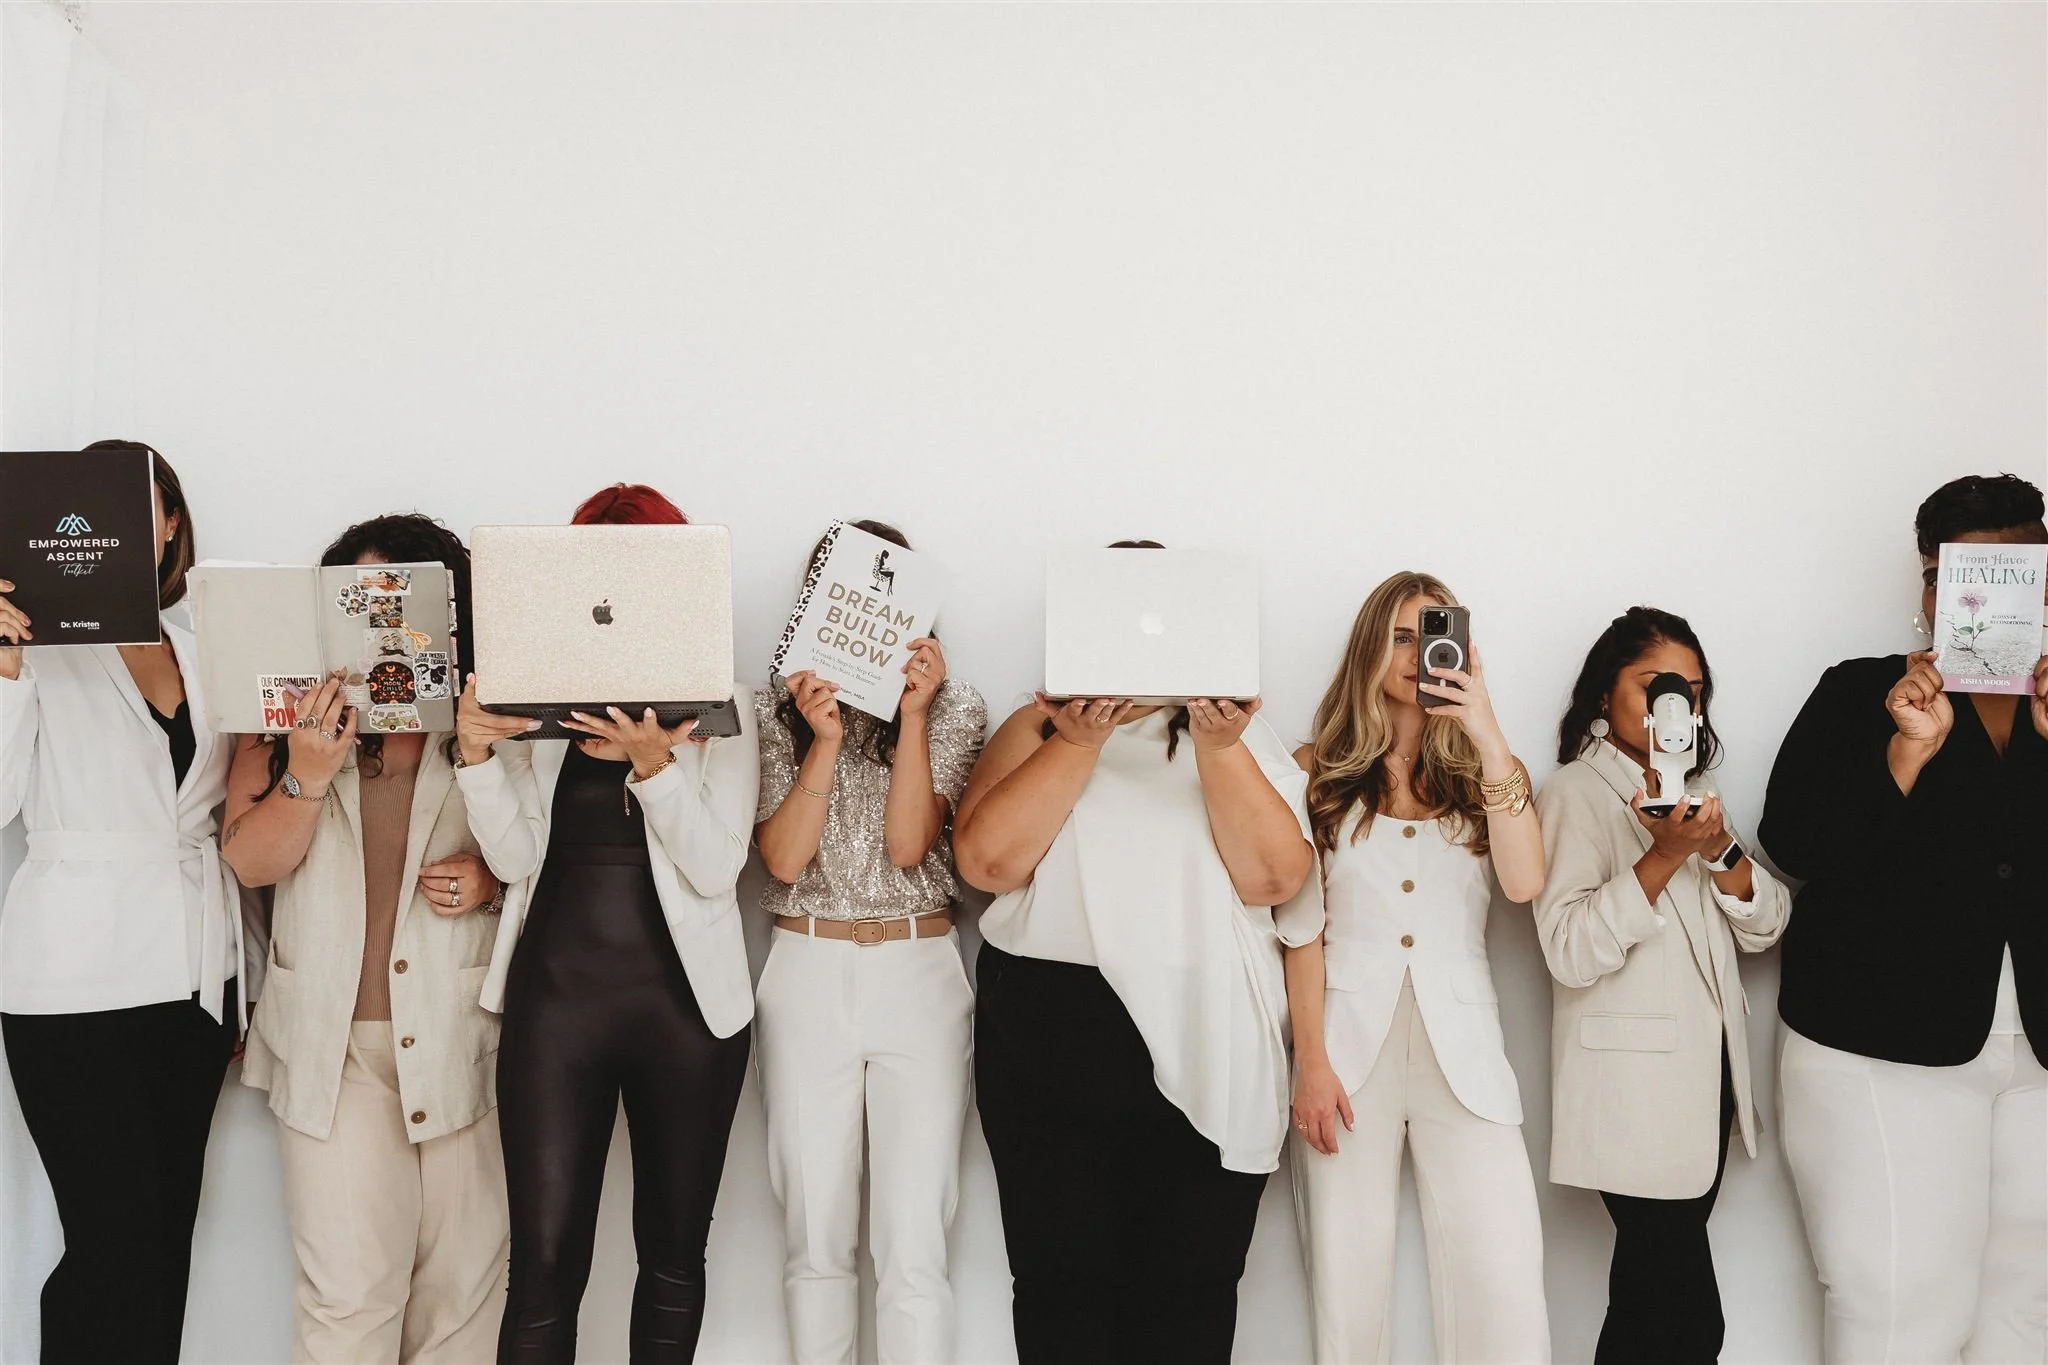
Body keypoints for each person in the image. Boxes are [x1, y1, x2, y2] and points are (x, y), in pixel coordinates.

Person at [953, 541, 1314, 1365]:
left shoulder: (1245, 738)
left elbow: (1274, 879)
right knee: (1060, 1287)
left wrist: (1218, 747)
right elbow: (987, 865)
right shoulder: (1034, 725)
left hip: (1204, 1019)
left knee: (1190, 1294)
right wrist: (1079, 742)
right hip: (1049, 1028)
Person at [457, 483, 757, 1365]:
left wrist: (656, 765)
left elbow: (713, 866)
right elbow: (513, 861)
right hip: (556, 1009)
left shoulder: (723, 701)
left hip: (688, 1017)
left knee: (672, 1258)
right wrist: (476, 755)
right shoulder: (532, 698)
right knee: (544, 1264)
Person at [1762, 472, 2047, 1364]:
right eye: (1952, 572)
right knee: (1898, 1311)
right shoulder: (1859, 695)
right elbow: (1793, 843)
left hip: (2038, 1053)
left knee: (2028, 1315)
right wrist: (1902, 756)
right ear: (1930, 589)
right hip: (1875, 1048)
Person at [223, 514, 509, 1364]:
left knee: (462, 1301)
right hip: (330, 1048)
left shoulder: (486, 720)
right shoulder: (278, 722)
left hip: (468, 1040)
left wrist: (491, 881)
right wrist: (307, 772)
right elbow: (248, 861)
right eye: (356, 604)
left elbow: (541, 854)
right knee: (348, 1303)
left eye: (399, 601)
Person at [0, 441, 245, 1365]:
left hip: (193, 980)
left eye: (135, 502)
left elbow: (225, 823)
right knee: (110, 1243)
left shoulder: (207, 646)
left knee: (162, 1249)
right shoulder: (32, 649)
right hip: (72, 987)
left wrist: (245, 988)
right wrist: (4, 669)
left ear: (169, 521)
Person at [1280, 572, 1550, 1364]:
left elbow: (1525, 882)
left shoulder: (1489, 774)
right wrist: (1310, 1061)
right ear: (1370, 646)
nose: (1416, 652)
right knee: (1346, 1289)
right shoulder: (1313, 770)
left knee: (1503, 1285)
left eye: (1432, 633)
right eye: (1400, 635)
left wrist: (1487, 728)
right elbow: (1300, 928)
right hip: (1343, 1055)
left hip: (1464, 1055)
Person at [753, 520, 988, 1365]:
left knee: (915, 1241)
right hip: (807, 962)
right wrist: (823, 739)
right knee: (815, 1236)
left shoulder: (957, 707)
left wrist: (914, 715)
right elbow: (781, 856)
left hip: (920, 968)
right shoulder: (770, 711)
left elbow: (906, 846)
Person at [1534, 606, 1790, 1365]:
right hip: (1630, 1094)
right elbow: (1569, 949)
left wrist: (1713, 846)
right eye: (1655, 684)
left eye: (1691, 688)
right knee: (1683, 1313)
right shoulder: (1575, 793)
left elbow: (1767, 924)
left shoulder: (1701, 793)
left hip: (1704, 1086)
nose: (1674, 704)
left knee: (1650, 1302)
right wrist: (1662, 856)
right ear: (1604, 693)